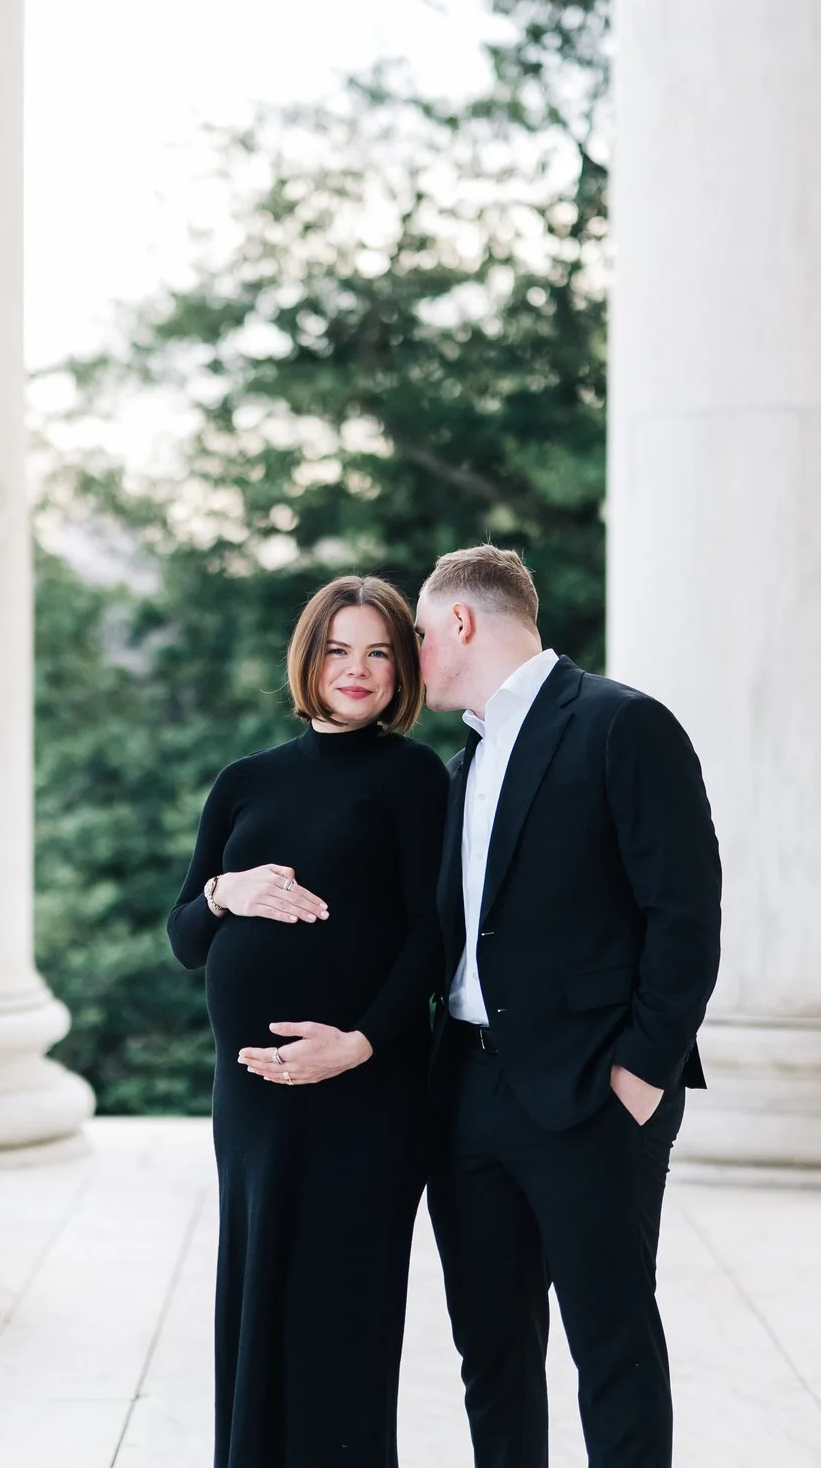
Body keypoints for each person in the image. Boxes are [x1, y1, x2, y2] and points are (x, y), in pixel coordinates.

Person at [413, 545, 721, 1468]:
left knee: (613, 1348)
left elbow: (687, 911)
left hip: (593, 1095)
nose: (412, 653)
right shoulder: (465, 759)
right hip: (466, 1093)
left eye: (420, 634)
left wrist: (639, 1073)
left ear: (462, 622)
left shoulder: (622, 724)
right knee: (492, 1355)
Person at [170, 575, 450, 1468]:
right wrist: (226, 889)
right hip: (252, 1107)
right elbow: (183, 936)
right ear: (309, 657)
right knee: (256, 1301)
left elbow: (433, 938)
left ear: (400, 666)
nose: (357, 669)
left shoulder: (413, 777)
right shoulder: (244, 781)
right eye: (338, 648)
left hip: (368, 1095)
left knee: (343, 1311)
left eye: (377, 651)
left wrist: (358, 1044)